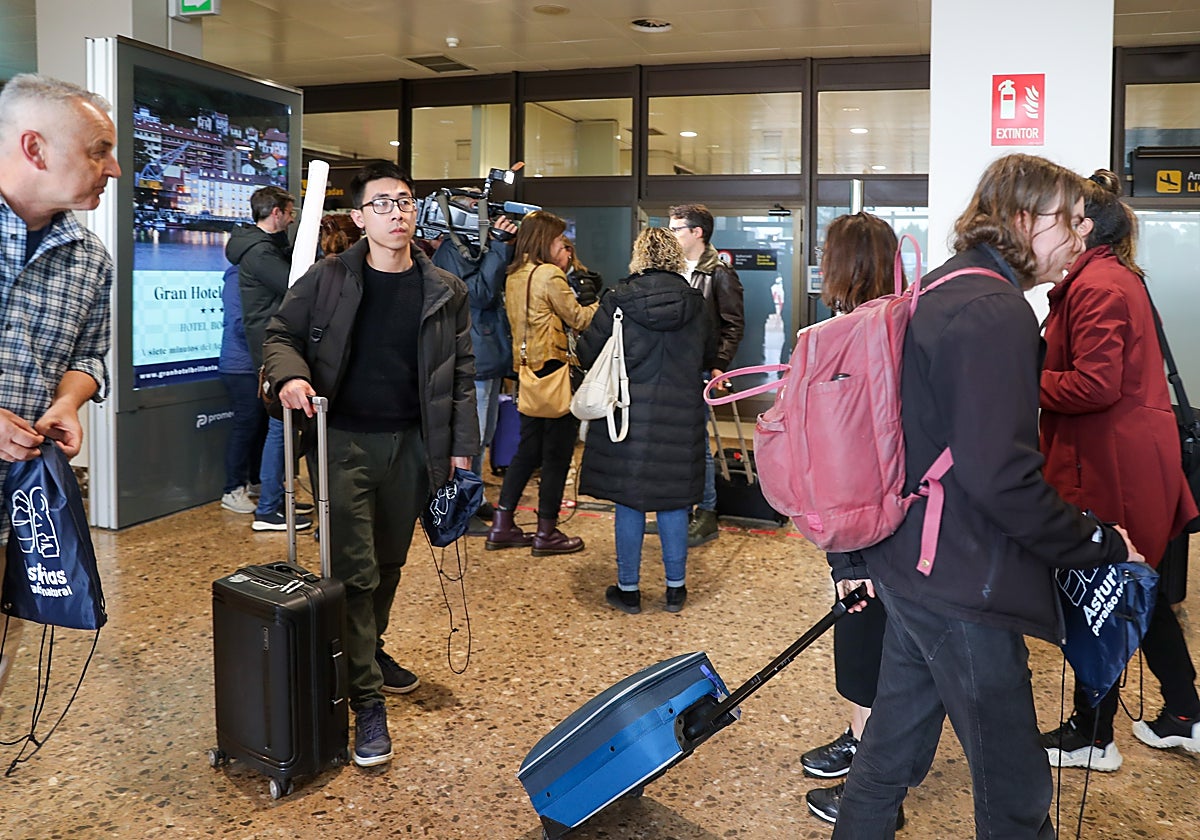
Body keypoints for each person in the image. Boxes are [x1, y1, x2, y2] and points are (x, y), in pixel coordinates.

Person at [830, 154, 1144, 839]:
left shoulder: (946, 286)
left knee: (887, 752)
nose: (1082, 235)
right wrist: (1096, 541)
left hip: (914, 560)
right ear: (1027, 219)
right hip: (962, 576)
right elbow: (999, 474)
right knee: (1014, 787)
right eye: (1073, 219)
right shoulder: (994, 311)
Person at [263, 160, 478, 768]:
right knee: (354, 573)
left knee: (389, 564)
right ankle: (365, 699)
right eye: (382, 204)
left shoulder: (444, 289)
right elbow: (280, 335)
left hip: (411, 446)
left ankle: (369, 649)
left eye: (405, 201)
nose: (397, 213)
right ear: (358, 218)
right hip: (343, 443)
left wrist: (463, 451)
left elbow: (461, 377)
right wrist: (293, 376)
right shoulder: (328, 278)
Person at [1038, 169, 1200, 770]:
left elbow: (1095, 385)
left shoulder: (1098, 285)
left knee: (1099, 595)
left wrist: (1024, 380)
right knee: (1139, 590)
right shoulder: (1110, 278)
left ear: (1083, 228)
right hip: (1124, 460)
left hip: (1109, 467)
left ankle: (1093, 736)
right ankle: (1185, 714)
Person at [0, 73, 120, 697]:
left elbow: (86, 354)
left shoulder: (89, 257)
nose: (114, 168)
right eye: (99, 149)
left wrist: (69, 401)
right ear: (35, 147)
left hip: (23, 507)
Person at [803, 213, 906, 827]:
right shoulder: (903, 326)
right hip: (899, 519)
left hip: (864, 529)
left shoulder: (840, 339)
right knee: (869, 648)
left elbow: (838, 458)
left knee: (870, 647)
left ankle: (873, 780)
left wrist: (845, 559)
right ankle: (858, 738)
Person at [578, 227, 715, 615]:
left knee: (630, 501)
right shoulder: (696, 302)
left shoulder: (618, 299)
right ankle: (675, 589)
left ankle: (630, 589)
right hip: (680, 415)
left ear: (639, 255)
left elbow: (590, 352)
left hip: (628, 414)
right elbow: (708, 354)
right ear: (675, 256)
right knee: (675, 501)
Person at [485, 211, 597, 555]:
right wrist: (599, 304)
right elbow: (577, 319)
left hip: (528, 372)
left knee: (527, 450)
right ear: (546, 241)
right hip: (555, 371)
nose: (563, 246)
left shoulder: (515, 275)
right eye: (559, 241)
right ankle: (547, 532)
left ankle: (503, 524)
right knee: (557, 454)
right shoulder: (549, 274)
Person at [225, 185, 312, 532]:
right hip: (275, 348)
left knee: (280, 426)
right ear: (275, 212)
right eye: (289, 213)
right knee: (280, 425)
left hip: (273, 345)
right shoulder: (260, 254)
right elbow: (297, 286)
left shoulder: (262, 248)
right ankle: (270, 508)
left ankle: (276, 495)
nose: (291, 219)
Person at [432, 213, 520, 527]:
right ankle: (459, 504)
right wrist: (497, 247)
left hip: (487, 350)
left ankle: (474, 497)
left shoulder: (470, 246)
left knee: (484, 434)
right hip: (475, 354)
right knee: (472, 436)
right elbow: (479, 295)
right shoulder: (452, 250)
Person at [668, 203, 744, 547]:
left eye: (676, 229)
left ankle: (707, 512)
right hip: (668, 366)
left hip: (697, 367)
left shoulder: (719, 273)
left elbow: (732, 324)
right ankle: (679, 511)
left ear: (696, 232)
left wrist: (719, 365)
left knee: (696, 441)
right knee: (673, 444)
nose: (671, 235)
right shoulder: (670, 268)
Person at [217, 260, 267, 514]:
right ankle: (232, 489)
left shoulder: (252, 276)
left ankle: (257, 482)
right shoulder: (236, 278)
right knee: (246, 426)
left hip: (255, 366)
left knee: (261, 426)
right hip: (239, 367)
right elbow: (240, 324)